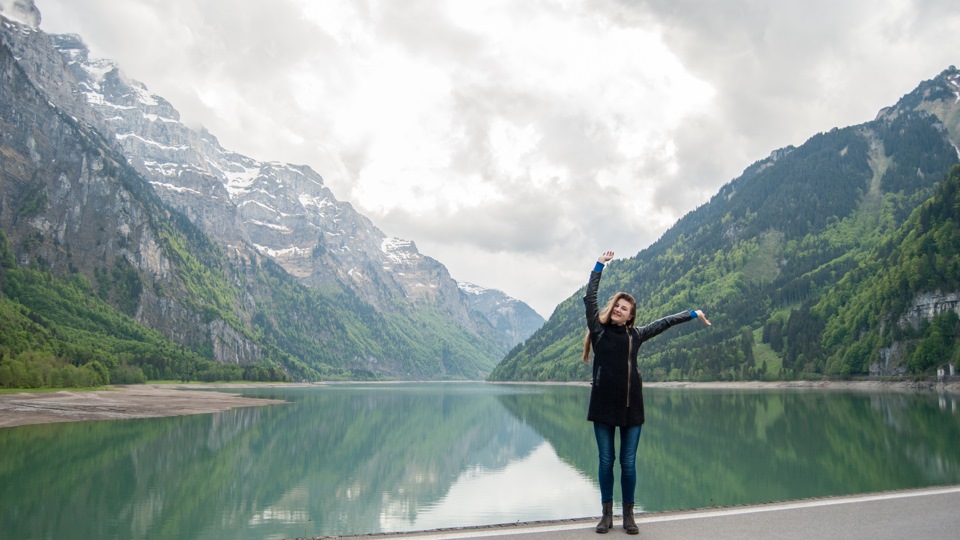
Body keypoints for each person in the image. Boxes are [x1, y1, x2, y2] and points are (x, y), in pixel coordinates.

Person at [583, 250, 711, 534]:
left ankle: (628, 515)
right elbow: (590, 299)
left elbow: (664, 323)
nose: (618, 310)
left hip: (632, 407)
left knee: (628, 463)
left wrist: (692, 314)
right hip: (603, 406)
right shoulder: (599, 331)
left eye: (624, 308)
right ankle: (606, 515)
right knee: (606, 461)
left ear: (631, 316)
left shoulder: (636, 335)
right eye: (617, 305)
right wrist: (599, 267)